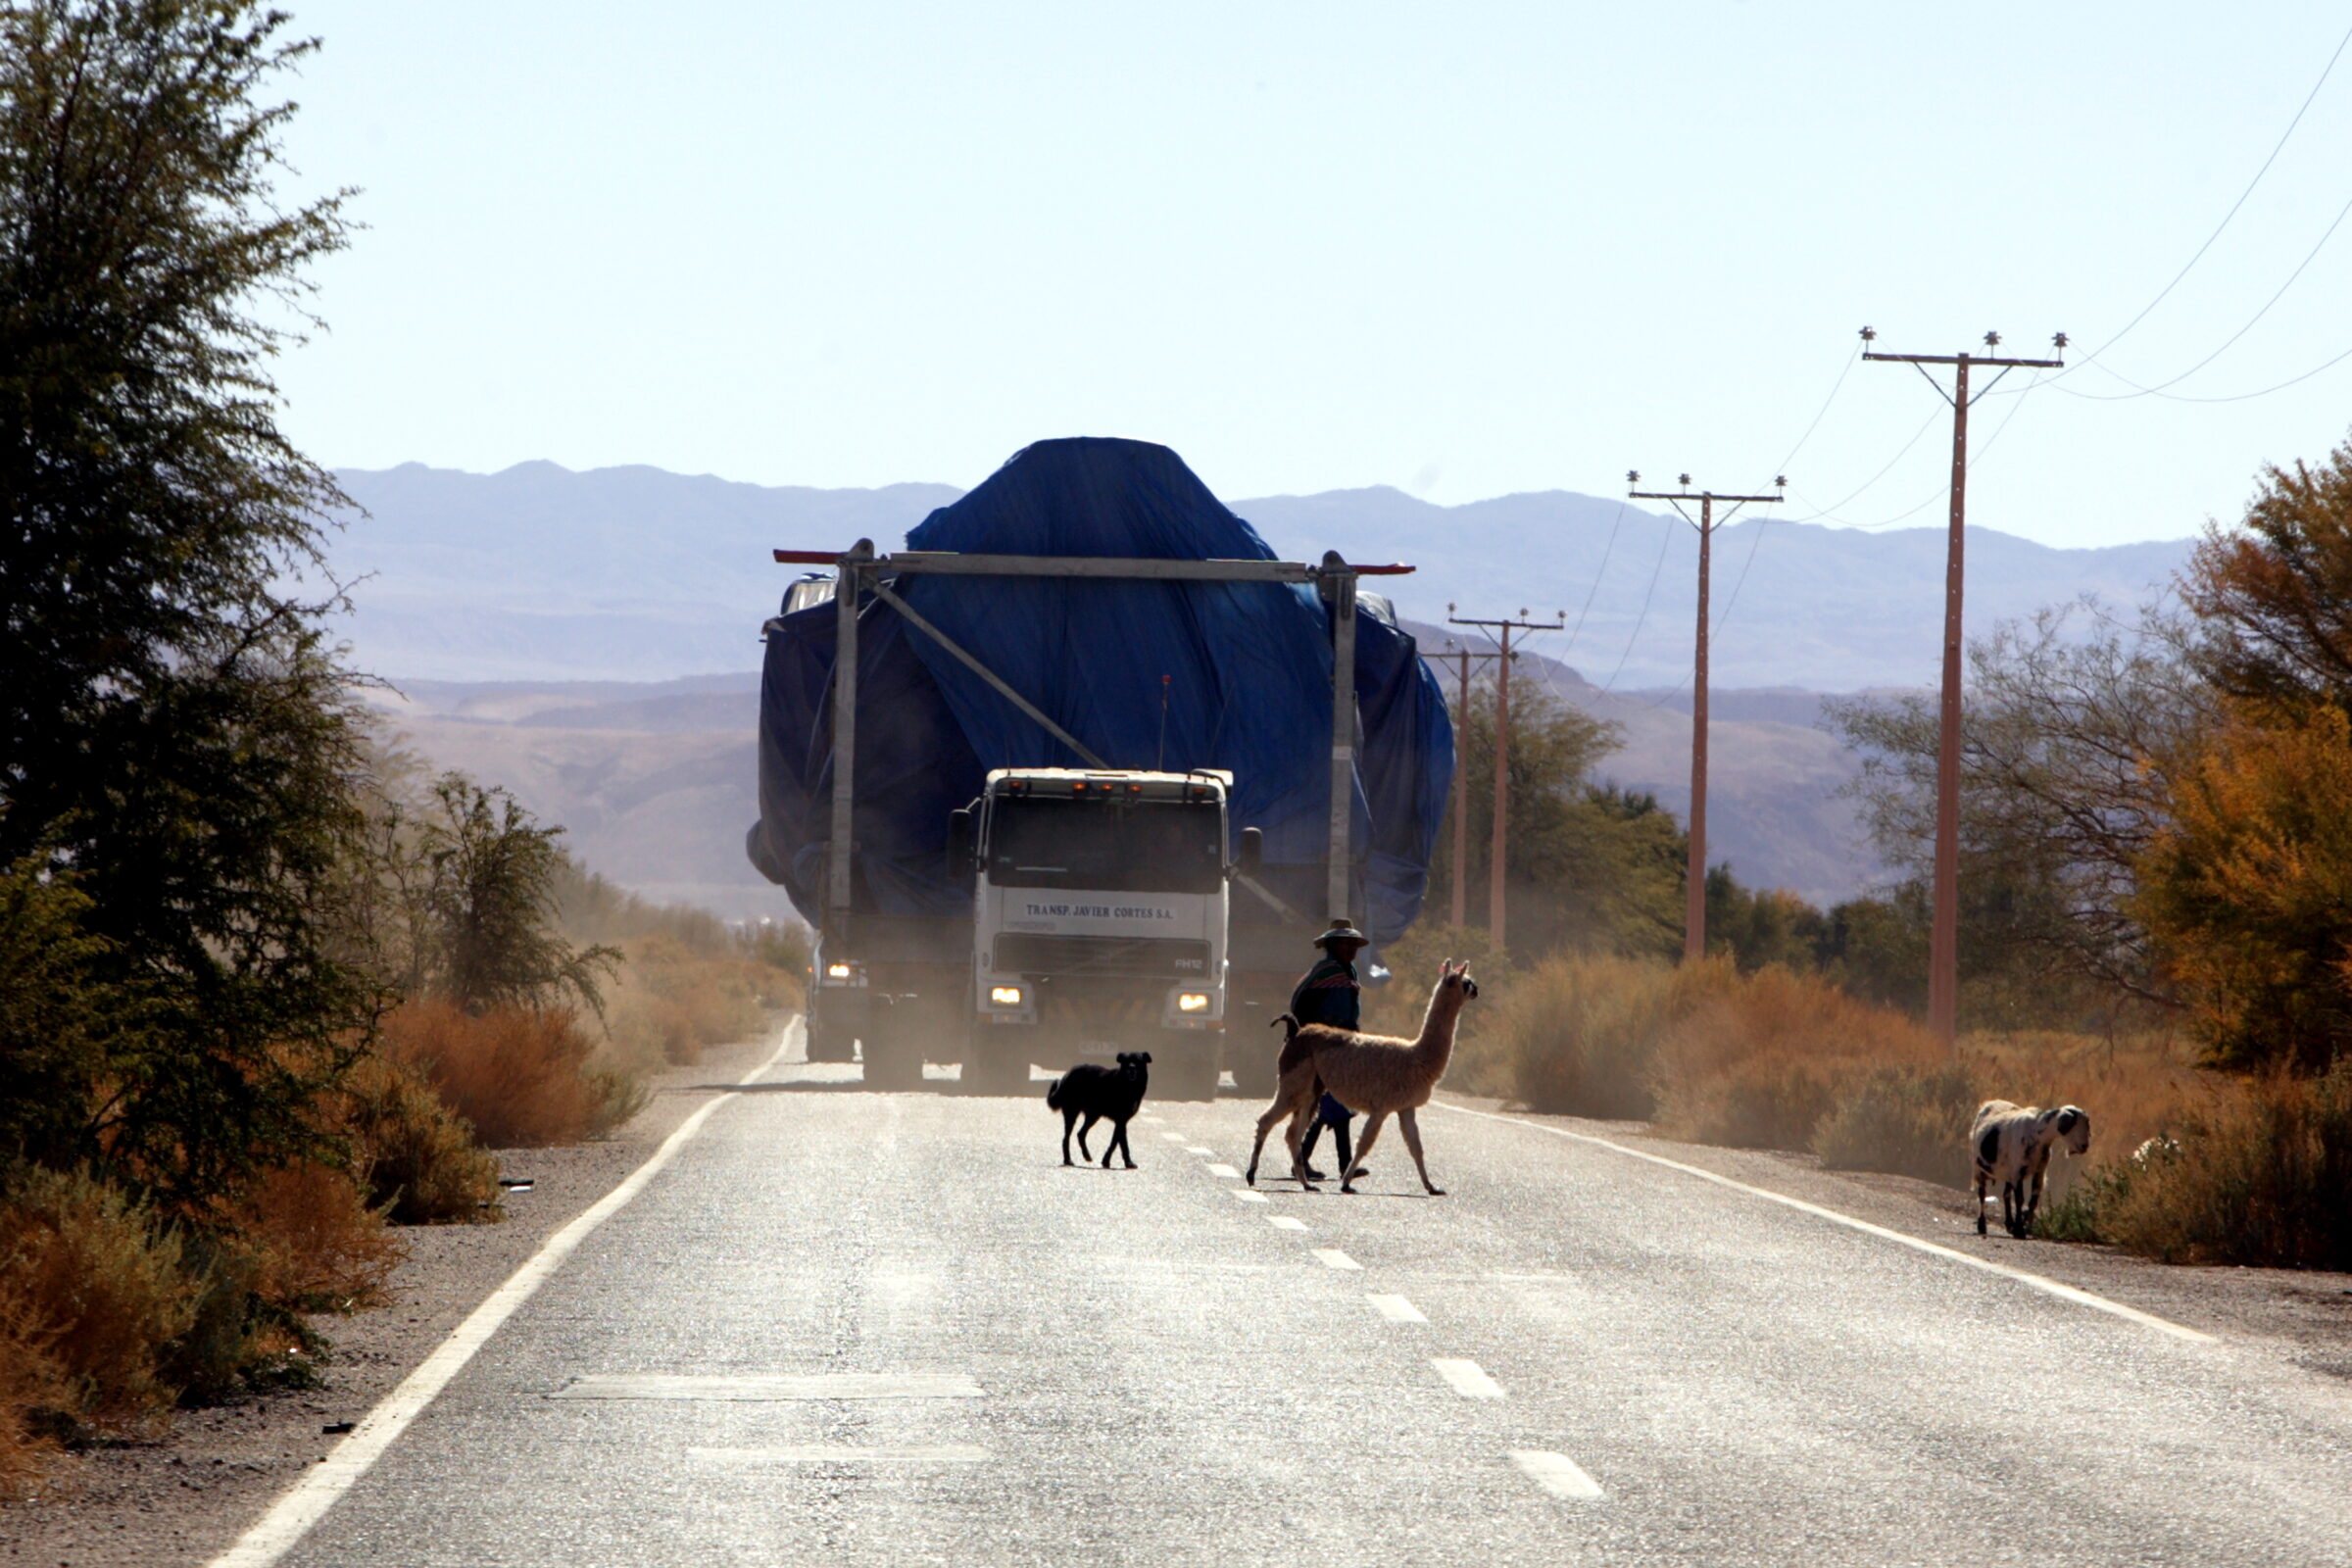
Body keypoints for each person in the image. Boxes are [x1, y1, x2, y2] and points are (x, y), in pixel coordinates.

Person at [1292, 918, 1370, 1181]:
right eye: (1344, 943)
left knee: (1333, 1105)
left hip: (1340, 1045)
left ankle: (1321, 1162)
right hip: (1324, 1046)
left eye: (1353, 944)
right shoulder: (1328, 971)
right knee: (1331, 1105)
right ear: (1332, 945)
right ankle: (1326, 1163)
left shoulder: (1347, 971)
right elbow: (1305, 1007)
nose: (1350, 948)